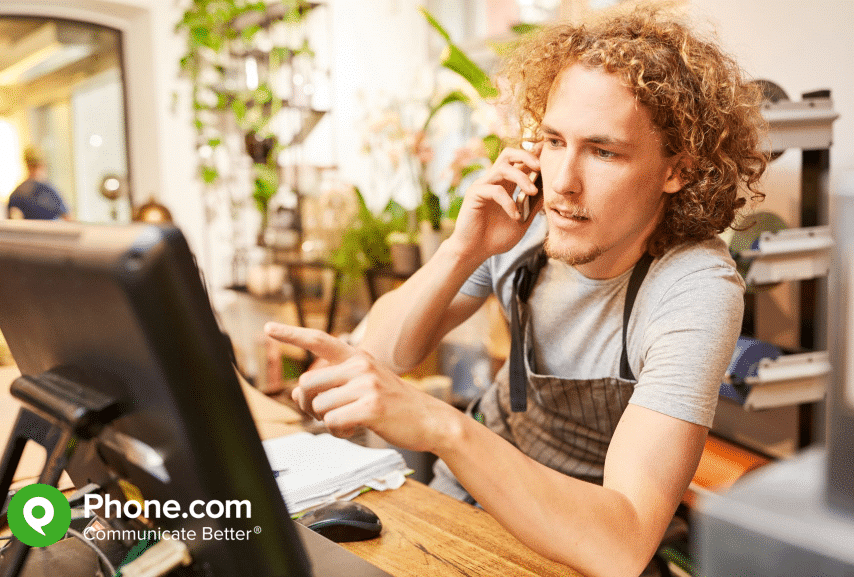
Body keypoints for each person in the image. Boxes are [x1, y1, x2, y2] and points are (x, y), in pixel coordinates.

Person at [266, 8, 767, 577]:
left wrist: (442, 427)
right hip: (462, 509)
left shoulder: (694, 286)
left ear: (677, 169)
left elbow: (622, 544)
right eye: (554, 141)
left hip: (577, 544)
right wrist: (463, 250)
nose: (564, 182)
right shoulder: (525, 223)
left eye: (603, 152)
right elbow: (378, 354)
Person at [8, 146, 71, 220]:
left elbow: (14, 223)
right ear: (43, 165)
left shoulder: (16, 194)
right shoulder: (50, 191)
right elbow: (69, 219)